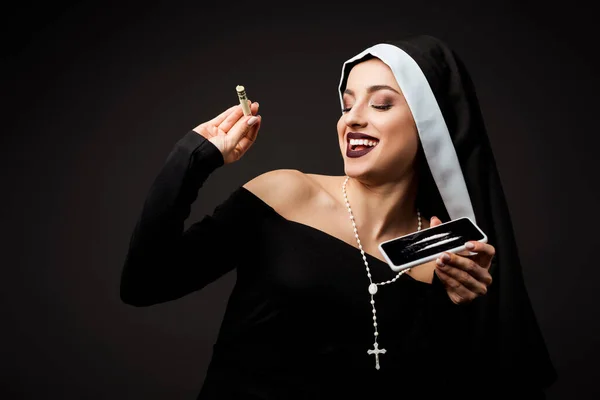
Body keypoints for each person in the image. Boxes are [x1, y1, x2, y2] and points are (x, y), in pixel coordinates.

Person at [120, 35, 557, 398]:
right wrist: (193, 157)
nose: (353, 120)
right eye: (347, 105)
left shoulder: (442, 250)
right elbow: (145, 283)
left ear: (429, 125)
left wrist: (463, 307)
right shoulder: (285, 194)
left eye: (381, 105)